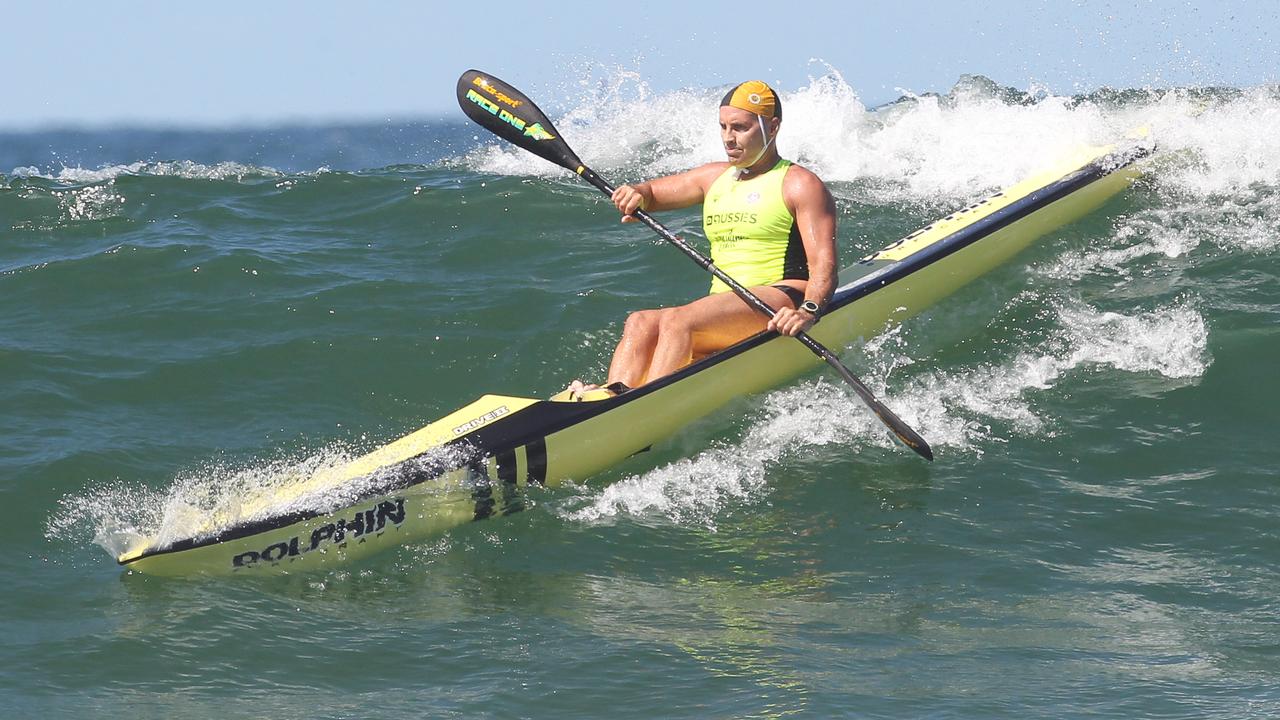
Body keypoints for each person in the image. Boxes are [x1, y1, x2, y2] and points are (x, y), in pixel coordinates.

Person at [567, 80, 838, 398]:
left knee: (678, 321)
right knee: (640, 321)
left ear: (773, 127)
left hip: (782, 296)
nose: (728, 138)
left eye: (740, 128)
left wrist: (807, 312)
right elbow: (652, 194)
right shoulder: (714, 177)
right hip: (726, 303)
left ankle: (645, 405)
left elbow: (824, 265)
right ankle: (615, 394)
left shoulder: (799, 184)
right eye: (723, 127)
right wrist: (637, 193)